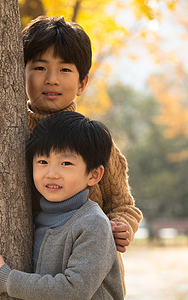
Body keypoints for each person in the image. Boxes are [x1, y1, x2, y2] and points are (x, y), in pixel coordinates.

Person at [22, 16, 143, 290]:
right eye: (39, 67)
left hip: (89, 277)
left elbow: (123, 204)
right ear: (22, 73)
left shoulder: (95, 143)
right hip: (33, 274)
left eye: (65, 70)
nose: (51, 80)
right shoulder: (11, 136)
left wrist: (122, 225)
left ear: (82, 83)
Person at [0, 111, 124, 300]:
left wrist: (7, 281)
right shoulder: (35, 219)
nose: (52, 173)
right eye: (42, 161)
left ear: (93, 175)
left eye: (66, 163)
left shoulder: (92, 223)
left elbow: (75, 290)